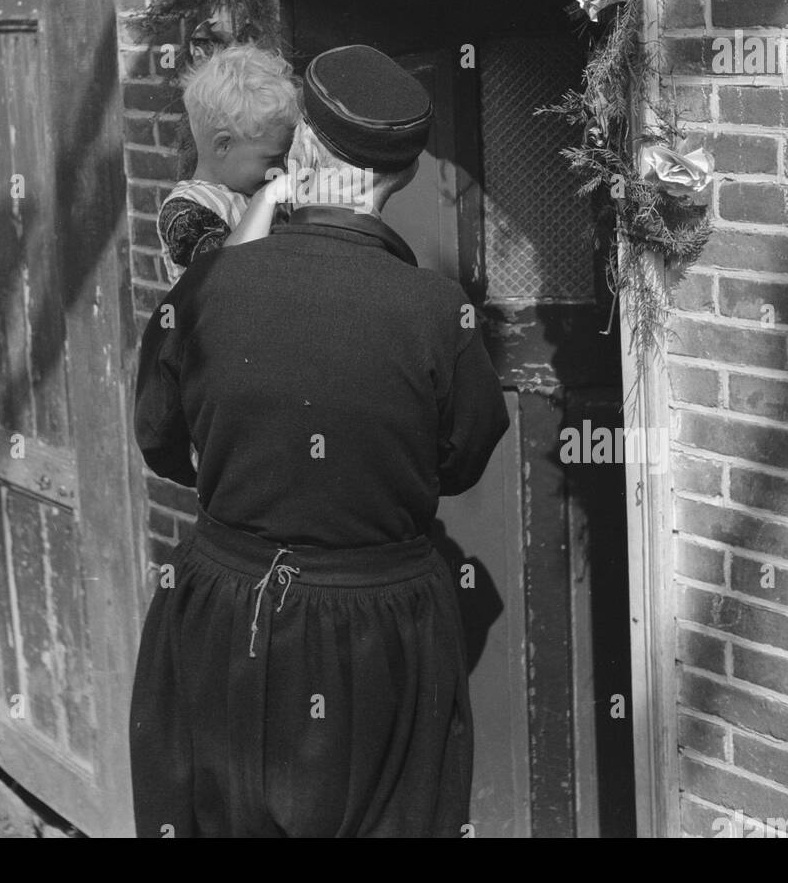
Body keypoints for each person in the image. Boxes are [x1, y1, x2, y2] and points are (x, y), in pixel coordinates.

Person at [130, 43, 510, 838]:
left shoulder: (205, 289)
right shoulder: (440, 311)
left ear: (304, 146)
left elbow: (161, 437)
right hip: (385, 627)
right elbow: (463, 456)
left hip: (226, 616)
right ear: (402, 174)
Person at [157, 42, 298, 282]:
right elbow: (226, 279)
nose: (281, 169)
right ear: (223, 145)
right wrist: (267, 199)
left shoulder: (250, 193)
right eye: (272, 159)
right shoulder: (183, 213)